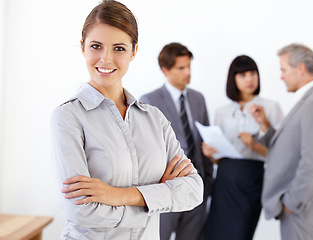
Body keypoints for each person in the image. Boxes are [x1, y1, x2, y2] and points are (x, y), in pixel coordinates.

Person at [50, 1, 203, 239]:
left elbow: (194, 190)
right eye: (96, 46)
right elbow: (80, 211)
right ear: (82, 47)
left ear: (134, 51)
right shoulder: (68, 116)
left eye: (119, 48)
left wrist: (119, 195)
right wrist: (158, 198)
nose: (106, 59)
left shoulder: (154, 118)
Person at [249, 43, 313, 240]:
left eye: (283, 70)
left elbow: (312, 161)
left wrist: (291, 203)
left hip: (302, 209)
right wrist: (264, 124)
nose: (281, 76)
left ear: (301, 69)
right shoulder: (309, 100)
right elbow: (288, 148)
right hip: (300, 208)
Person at [203, 55, 284, 240]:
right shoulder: (222, 112)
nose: (249, 79)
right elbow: (219, 158)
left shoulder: (271, 108)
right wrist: (210, 155)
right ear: (233, 79)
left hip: (251, 179)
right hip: (225, 180)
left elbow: (280, 154)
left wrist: (254, 145)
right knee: (215, 233)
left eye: (252, 73)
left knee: (241, 233)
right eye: (242, 75)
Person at [140, 42, 213, 240]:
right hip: (166, 188)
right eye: (181, 68)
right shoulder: (149, 101)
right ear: (165, 70)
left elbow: (203, 139)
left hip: (196, 188)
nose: (188, 72)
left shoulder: (198, 99)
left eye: (189, 66)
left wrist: (207, 182)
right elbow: (145, 150)